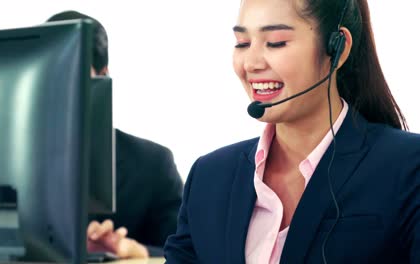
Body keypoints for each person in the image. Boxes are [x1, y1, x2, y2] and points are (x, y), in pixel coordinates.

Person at [164, 0, 420, 263]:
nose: (251, 63)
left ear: (337, 48)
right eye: (242, 43)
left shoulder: (409, 167)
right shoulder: (209, 176)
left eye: (275, 42)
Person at [46, 11, 184, 259]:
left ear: (102, 75)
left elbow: (189, 252)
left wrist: (137, 251)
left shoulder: (153, 164)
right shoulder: (5, 161)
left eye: (72, 72)